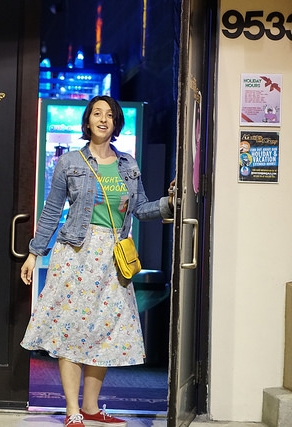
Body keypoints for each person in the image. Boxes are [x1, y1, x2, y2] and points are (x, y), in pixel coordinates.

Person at [20, 95, 174, 427]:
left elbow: (140, 208)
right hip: (76, 254)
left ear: (116, 123)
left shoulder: (128, 164)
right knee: (70, 329)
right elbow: (51, 211)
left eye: (109, 115)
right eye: (97, 114)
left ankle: (90, 407)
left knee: (105, 329)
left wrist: (169, 204)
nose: (103, 119)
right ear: (87, 121)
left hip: (112, 258)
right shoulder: (70, 162)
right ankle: (72, 410)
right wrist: (35, 253)